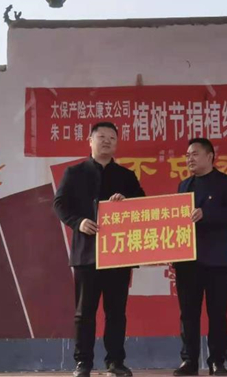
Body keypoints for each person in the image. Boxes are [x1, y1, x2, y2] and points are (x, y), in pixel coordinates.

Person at [53, 122, 145, 377]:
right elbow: (59, 204)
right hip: (86, 253)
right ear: (90, 141)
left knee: (116, 312)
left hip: (118, 253)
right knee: (84, 313)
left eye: (112, 138)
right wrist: (78, 222)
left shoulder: (126, 176)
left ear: (117, 143)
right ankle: (83, 363)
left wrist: (126, 203)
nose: (107, 141)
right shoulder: (74, 172)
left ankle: (115, 362)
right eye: (101, 137)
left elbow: (142, 205)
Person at [173, 138, 227, 377]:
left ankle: (217, 361)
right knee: (188, 314)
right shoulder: (184, 185)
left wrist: (207, 213)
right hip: (187, 261)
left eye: (194, 154)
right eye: (187, 155)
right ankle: (189, 361)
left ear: (210, 156)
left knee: (217, 313)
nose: (189, 159)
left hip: (217, 260)